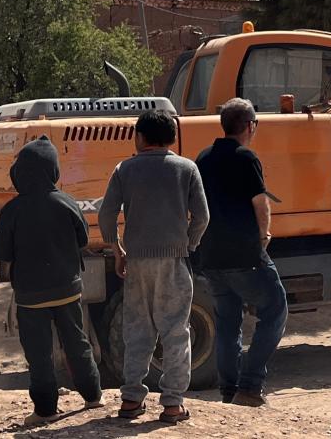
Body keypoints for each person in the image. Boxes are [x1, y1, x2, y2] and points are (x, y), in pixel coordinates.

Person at [98, 109, 209, 424]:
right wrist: (189, 245)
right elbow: (202, 217)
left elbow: (107, 215)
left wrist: (117, 249)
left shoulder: (124, 169)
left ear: (139, 137)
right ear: (172, 137)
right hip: (174, 260)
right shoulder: (187, 168)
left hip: (137, 261)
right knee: (175, 330)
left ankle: (132, 399)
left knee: (137, 330)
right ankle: (172, 404)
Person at [0, 137, 105, 425]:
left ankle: (45, 410)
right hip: (68, 288)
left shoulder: (13, 210)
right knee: (77, 342)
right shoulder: (66, 202)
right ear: (53, 170)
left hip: (31, 295)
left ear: (19, 173)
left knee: (38, 353)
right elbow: (83, 239)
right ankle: (93, 396)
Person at [194, 99, 287, 408]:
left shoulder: (203, 159)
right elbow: (260, 202)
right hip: (244, 255)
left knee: (228, 323)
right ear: (249, 126)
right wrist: (264, 236)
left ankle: (229, 389)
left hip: (211, 257)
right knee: (275, 310)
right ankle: (249, 386)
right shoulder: (246, 157)